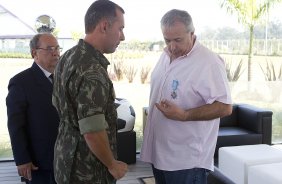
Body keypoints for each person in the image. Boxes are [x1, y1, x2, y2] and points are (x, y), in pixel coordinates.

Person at [140, 9, 233, 184]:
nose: (172, 46)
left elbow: (225, 106)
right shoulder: (166, 54)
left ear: (192, 33)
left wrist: (184, 115)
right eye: (167, 40)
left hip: (186, 161)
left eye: (178, 40)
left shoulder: (209, 62)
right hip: (160, 154)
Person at [52, 0, 128, 183]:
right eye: (120, 28)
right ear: (104, 26)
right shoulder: (92, 70)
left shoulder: (69, 56)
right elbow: (92, 131)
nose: (123, 36)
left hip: (64, 160)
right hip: (88, 171)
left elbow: (57, 103)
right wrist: (112, 165)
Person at [6, 33, 60, 183]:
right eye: (49, 48)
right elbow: (16, 125)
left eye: (57, 48)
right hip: (39, 164)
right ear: (34, 53)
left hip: (66, 159)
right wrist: (22, 159)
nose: (55, 52)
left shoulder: (63, 79)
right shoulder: (20, 82)